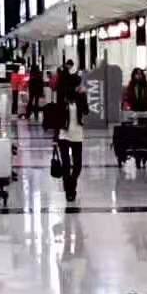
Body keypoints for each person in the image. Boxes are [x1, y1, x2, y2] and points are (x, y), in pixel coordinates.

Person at [52, 70, 88, 204]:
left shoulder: (80, 97)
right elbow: (57, 118)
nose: (79, 86)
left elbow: (86, 111)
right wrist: (55, 137)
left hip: (77, 133)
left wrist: (83, 96)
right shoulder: (62, 97)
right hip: (64, 134)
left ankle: (71, 184)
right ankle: (69, 191)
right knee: (66, 165)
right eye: (78, 84)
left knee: (78, 165)